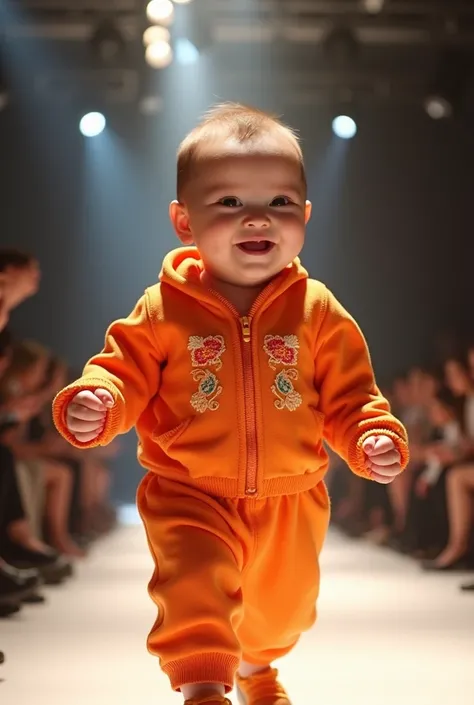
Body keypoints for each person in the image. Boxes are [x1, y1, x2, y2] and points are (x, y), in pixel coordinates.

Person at [52, 104, 409, 705]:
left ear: (306, 216)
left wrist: (371, 434)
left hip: (291, 498)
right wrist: (101, 401)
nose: (256, 219)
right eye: (228, 203)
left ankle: (255, 668)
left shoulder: (318, 309)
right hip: (189, 488)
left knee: (279, 614)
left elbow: (351, 394)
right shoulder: (162, 307)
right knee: (194, 590)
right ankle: (205, 687)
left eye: (279, 203)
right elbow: (124, 371)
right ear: (183, 222)